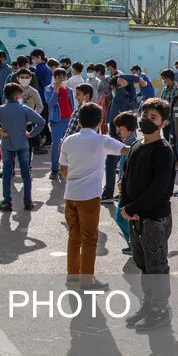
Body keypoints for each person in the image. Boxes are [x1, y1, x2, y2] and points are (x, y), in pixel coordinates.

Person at [59, 103, 131, 290]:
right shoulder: (102, 140)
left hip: (71, 194)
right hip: (90, 196)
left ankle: (72, 277)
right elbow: (126, 150)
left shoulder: (69, 140)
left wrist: (72, 181)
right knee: (89, 238)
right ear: (100, 122)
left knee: (73, 237)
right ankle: (87, 279)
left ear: (79, 120)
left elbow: (62, 168)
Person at [120, 98, 176, 332]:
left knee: (157, 266)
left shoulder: (163, 151)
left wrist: (132, 209)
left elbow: (159, 190)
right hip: (136, 218)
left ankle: (160, 310)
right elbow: (125, 178)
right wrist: (125, 205)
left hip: (154, 218)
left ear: (163, 122)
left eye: (153, 117)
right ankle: (149, 305)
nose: (146, 120)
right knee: (143, 264)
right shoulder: (136, 145)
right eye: (144, 116)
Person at [0, 83, 46, 211]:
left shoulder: (0, 109)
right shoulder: (25, 109)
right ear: (17, 96)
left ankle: (6, 201)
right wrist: (31, 134)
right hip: (22, 142)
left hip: (7, 142)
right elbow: (41, 122)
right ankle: (27, 200)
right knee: (25, 172)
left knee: (7, 173)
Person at [101, 62, 139, 202]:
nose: (112, 90)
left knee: (112, 165)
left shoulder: (122, 98)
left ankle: (110, 192)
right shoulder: (126, 99)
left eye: (114, 87)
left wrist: (126, 82)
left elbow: (125, 83)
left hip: (120, 137)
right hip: (119, 136)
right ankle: (120, 191)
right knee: (121, 166)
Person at [110, 112, 139, 254]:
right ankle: (134, 244)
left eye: (120, 129)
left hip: (127, 190)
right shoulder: (127, 144)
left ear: (129, 129)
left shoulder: (132, 145)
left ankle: (136, 245)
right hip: (125, 189)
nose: (118, 132)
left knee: (121, 217)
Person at [45, 68, 74, 179]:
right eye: (58, 77)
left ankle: (65, 167)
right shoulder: (48, 89)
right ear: (55, 78)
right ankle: (54, 168)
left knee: (68, 145)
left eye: (63, 77)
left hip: (68, 121)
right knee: (56, 145)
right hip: (56, 121)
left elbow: (71, 104)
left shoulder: (69, 90)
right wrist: (56, 91)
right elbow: (50, 103)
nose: (61, 80)